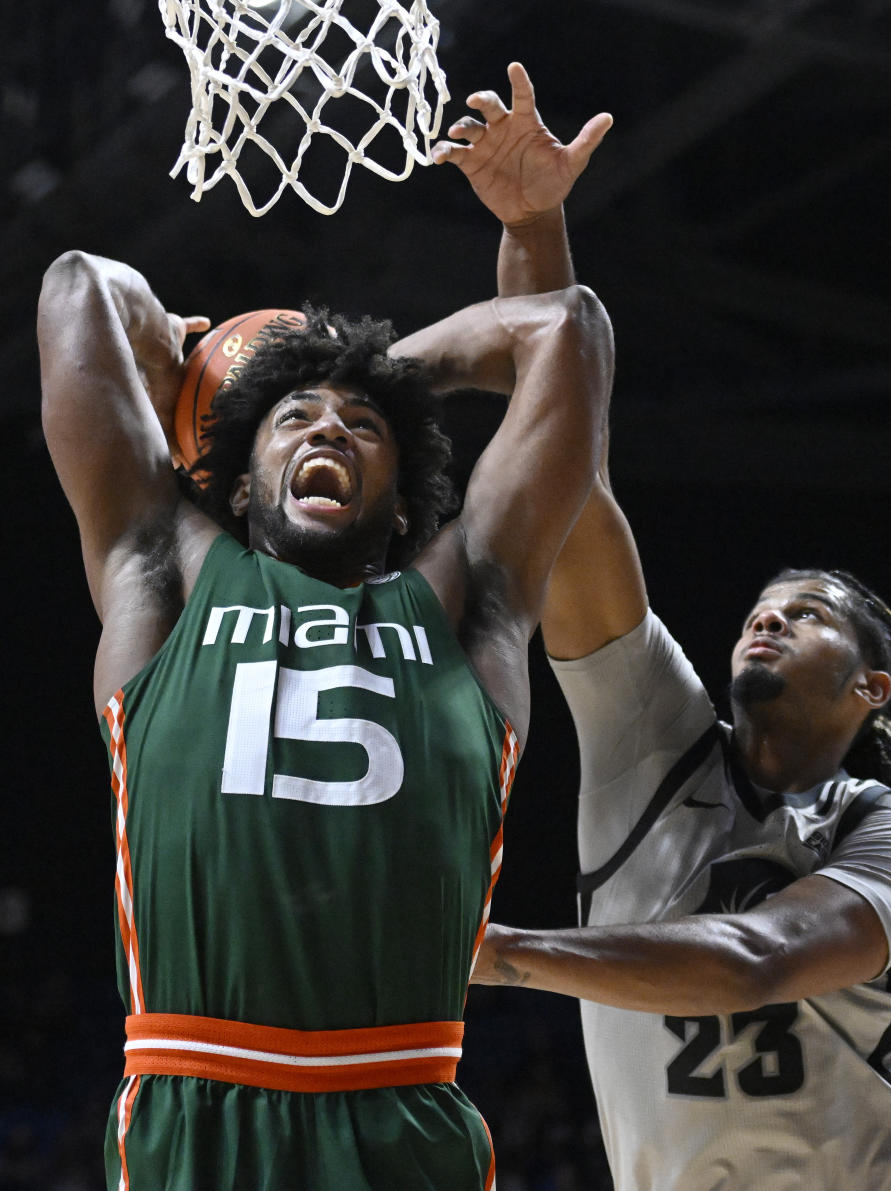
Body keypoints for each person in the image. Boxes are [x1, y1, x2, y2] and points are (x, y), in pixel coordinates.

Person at [36, 66, 614, 1189]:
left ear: (404, 500)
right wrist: (176, 359)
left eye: (362, 429)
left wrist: (369, 369)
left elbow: (567, 329)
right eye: (293, 419)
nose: (329, 432)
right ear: (236, 484)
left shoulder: (466, 603)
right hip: (193, 1108)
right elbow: (80, 286)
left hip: (401, 1110)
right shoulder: (167, 577)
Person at [457, 73, 891, 1191]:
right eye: (763, 605)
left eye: (812, 612)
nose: (771, 615)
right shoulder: (652, 736)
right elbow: (567, 484)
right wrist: (535, 227)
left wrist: (499, 957)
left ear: (874, 687)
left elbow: (756, 958)